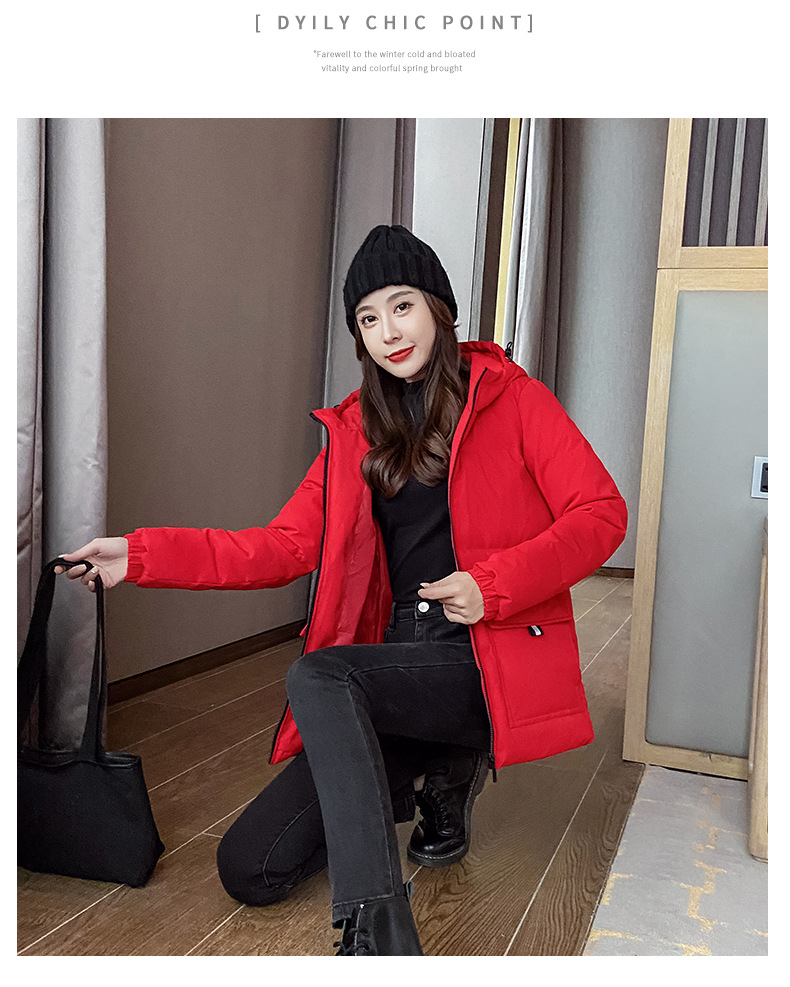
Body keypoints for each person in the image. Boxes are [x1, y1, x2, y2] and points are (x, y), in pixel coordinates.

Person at [57, 225, 627, 956]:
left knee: (321, 674)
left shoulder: (512, 399)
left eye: (403, 306)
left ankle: (378, 922)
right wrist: (138, 555)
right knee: (250, 867)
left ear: (438, 308)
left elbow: (601, 513)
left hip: (479, 661)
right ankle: (428, 770)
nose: (389, 331)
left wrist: (494, 585)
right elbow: (282, 546)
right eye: (368, 317)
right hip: (391, 670)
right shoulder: (357, 430)